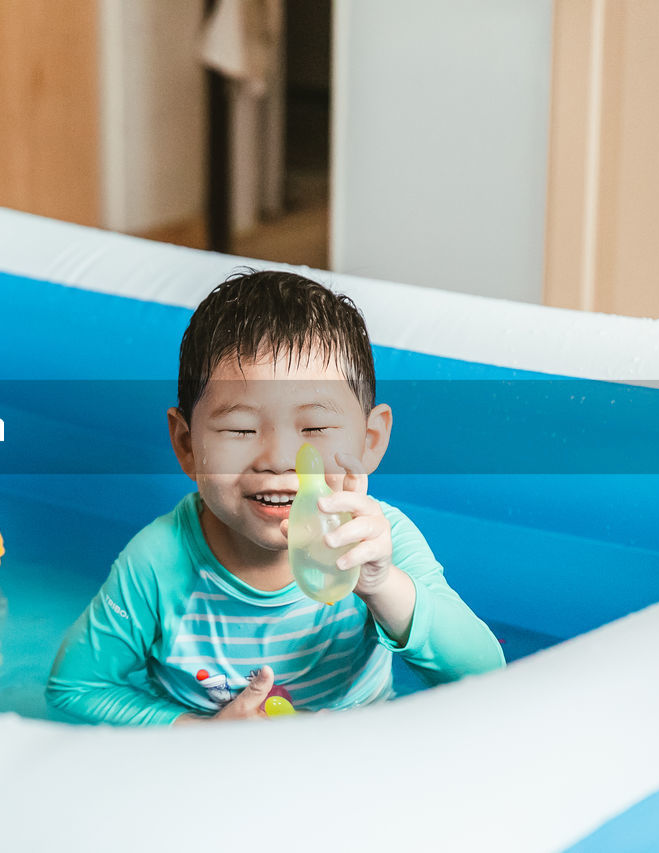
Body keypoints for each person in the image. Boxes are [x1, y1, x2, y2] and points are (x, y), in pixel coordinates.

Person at [46, 270, 504, 725]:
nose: (279, 459)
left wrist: (382, 587)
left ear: (369, 440)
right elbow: (75, 688)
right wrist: (198, 734)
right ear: (187, 445)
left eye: (316, 429)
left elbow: (486, 675)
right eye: (241, 429)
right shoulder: (158, 563)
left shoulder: (380, 546)